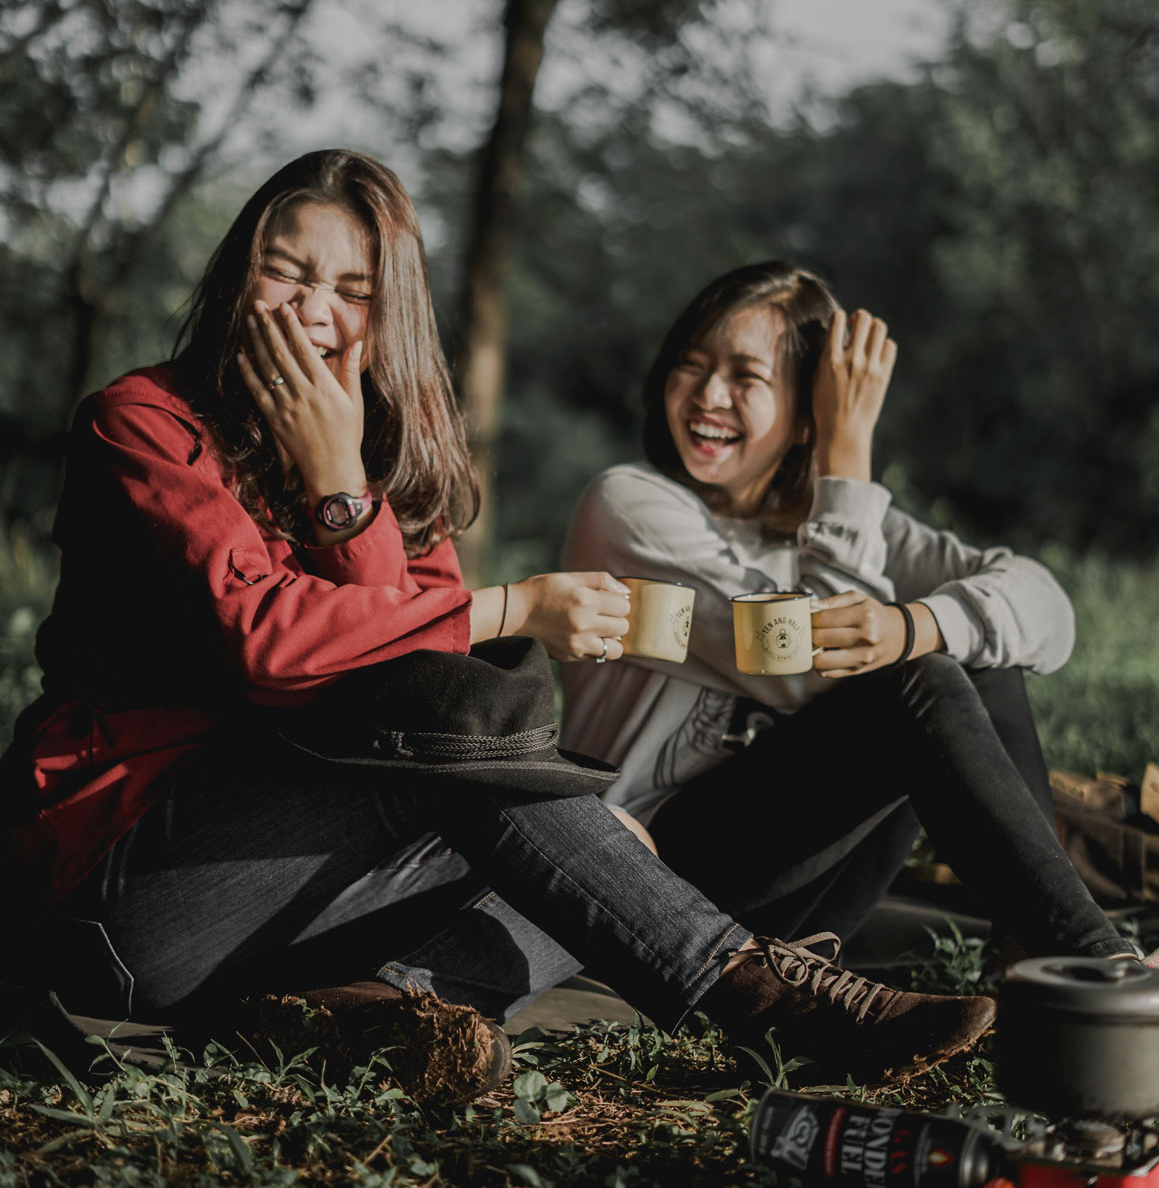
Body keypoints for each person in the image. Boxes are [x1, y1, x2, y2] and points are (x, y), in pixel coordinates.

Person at [0, 164, 996, 1102]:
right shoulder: (143, 423)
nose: (312, 309)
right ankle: (759, 995)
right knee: (493, 770)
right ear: (236, 275)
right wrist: (513, 606)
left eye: (350, 289)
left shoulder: (383, 460)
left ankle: (366, 1012)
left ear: (387, 317)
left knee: (608, 837)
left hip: (278, 914)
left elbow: (425, 676)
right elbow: (273, 645)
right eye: (285, 271)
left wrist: (343, 481)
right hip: (125, 892)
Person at [560, 261, 1140, 970]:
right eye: (691, 364)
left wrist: (914, 624)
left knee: (971, 650)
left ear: (807, 409)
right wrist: (848, 450)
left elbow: (1048, 610)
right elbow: (806, 669)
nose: (709, 394)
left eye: (746, 376)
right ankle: (1092, 961)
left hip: (803, 899)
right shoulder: (628, 505)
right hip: (647, 878)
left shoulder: (857, 523)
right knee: (912, 679)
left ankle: (1034, 951)